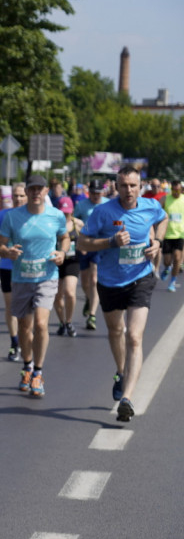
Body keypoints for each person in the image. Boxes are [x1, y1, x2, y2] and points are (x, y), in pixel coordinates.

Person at [78, 166, 167, 422]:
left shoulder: (150, 206)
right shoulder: (103, 212)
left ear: (140, 187)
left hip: (140, 278)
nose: (128, 190)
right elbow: (82, 243)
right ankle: (121, 371)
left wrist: (157, 243)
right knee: (116, 331)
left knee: (135, 337)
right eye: (123, 185)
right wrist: (110, 242)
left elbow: (163, 219)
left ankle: (126, 398)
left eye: (133, 185)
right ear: (116, 186)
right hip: (109, 282)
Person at [0, 173, 69, 398]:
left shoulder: (56, 216)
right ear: (26, 192)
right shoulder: (12, 216)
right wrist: (8, 252)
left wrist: (62, 252)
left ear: (46, 191)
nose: (36, 192)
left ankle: (38, 371)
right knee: (25, 327)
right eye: (32, 189)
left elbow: (65, 237)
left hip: (47, 277)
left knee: (42, 325)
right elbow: (0, 245)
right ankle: (27, 366)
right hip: (21, 278)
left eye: (40, 189)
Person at [0, 183, 28, 360]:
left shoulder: (32, 215)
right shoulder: (3, 214)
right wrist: (2, 237)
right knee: (11, 306)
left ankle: (27, 341)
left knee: (26, 308)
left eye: (21, 196)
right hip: (7, 266)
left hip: (26, 267)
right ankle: (14, 342)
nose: (17, 199)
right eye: (15, 196)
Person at [74, 180, 108, 330]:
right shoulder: (82, 205)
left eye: (98, 193)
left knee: (94, 279)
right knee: (85, 281)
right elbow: (73, 222)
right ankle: (89, 298)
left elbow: (117, 222)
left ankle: (92, 315)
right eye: (93, 193)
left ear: (103, 192)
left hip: (100, 245)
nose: (96, 196)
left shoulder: (108, 204)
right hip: (84, 246)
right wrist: (80, 241)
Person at [53, 196, 83, 337]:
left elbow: (88, 236)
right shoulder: (52, 224)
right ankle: (62, 322)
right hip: (56, 262)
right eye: (62, 212)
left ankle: (69, 321)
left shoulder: (78, 224)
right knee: (57, 296)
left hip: (72, 261)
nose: (65, 215)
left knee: (70, 292)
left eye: (67, 212)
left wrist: (84, 247)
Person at [159, 180, 184, 292]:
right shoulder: (165, 199)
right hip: (167, 234)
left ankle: (172, 282)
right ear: (171, 189)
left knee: (178, 258)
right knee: (167, 261)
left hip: (180, 234)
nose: (176, 192)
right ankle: (167, 268)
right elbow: (157, 210)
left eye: (178, 190)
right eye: (174, 190)